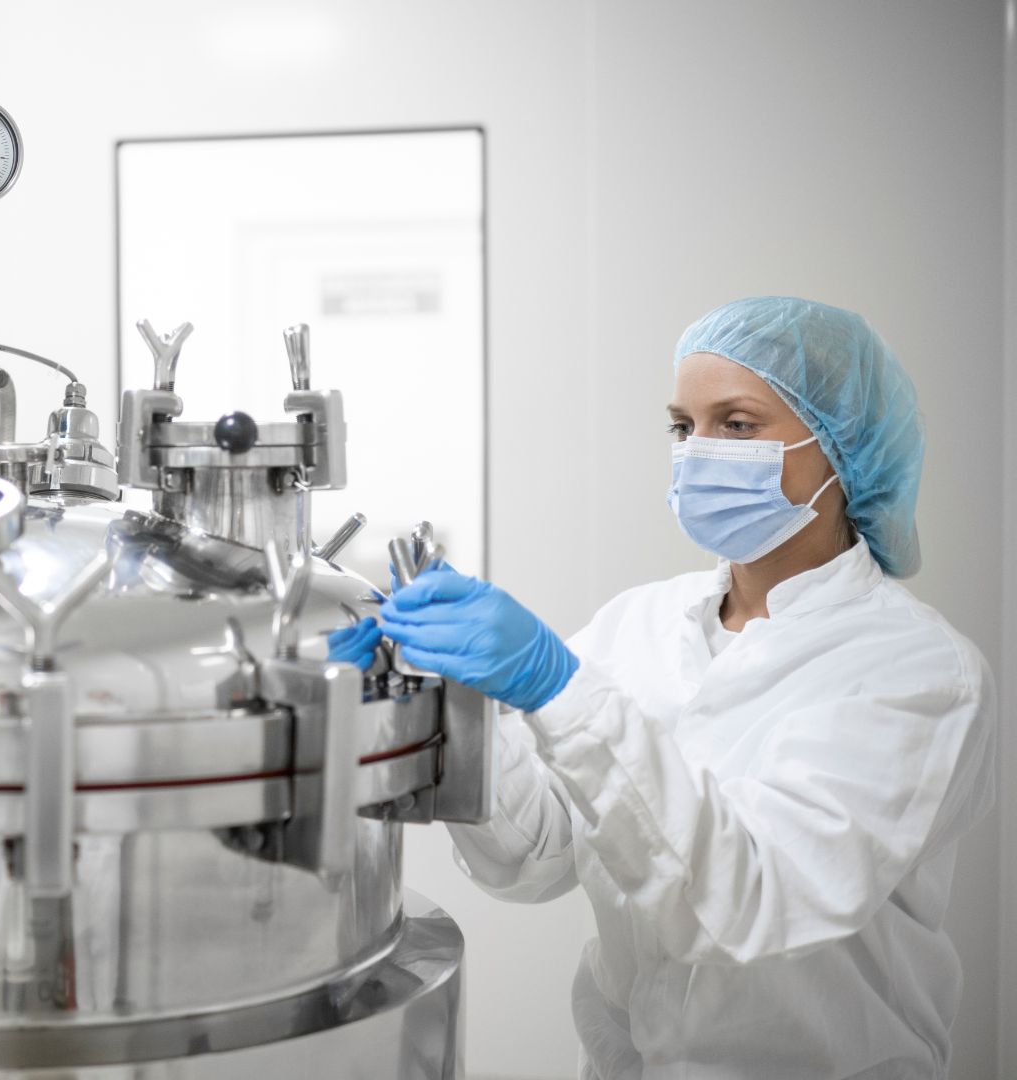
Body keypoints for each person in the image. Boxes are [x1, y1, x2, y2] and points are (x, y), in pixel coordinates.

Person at [336, 297, 995, 1079]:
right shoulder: (641, 621)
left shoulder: (916, 670)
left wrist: (555, 687)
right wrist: (450, 698)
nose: (698, 452)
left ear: (841, 448)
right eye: (684, 426)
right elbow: (540, 852)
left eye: (737, 424)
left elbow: (750, 902)